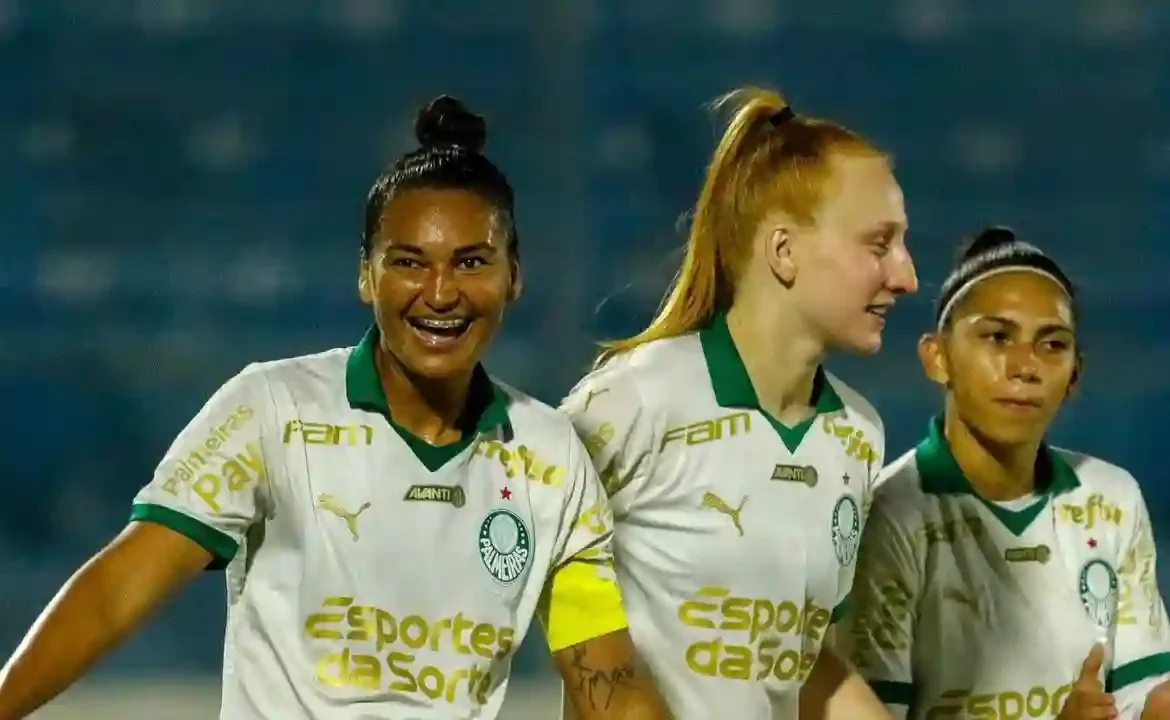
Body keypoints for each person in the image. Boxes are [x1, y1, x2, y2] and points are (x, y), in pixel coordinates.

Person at [0, 96, 669, 720]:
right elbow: (118, 590)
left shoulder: (549, 456)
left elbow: (602, 677)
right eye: (409, 262)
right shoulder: (271, 411)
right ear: (365, 275)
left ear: (514, 275)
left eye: (471, 262)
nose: (440, 293)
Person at [559, 86, 918, 719]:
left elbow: (799, 667)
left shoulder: (859, 436)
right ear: (784, 251)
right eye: (878, 243)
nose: (906, 275)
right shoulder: (634, 399)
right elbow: (540, 584)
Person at [843, 227, 1170, 720]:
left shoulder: (1112, 497)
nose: (1025, 366)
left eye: (1052, 345)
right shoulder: (888, 515)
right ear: (937, 358)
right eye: (997, 337)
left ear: (1074, 377)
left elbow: (1146, 698)